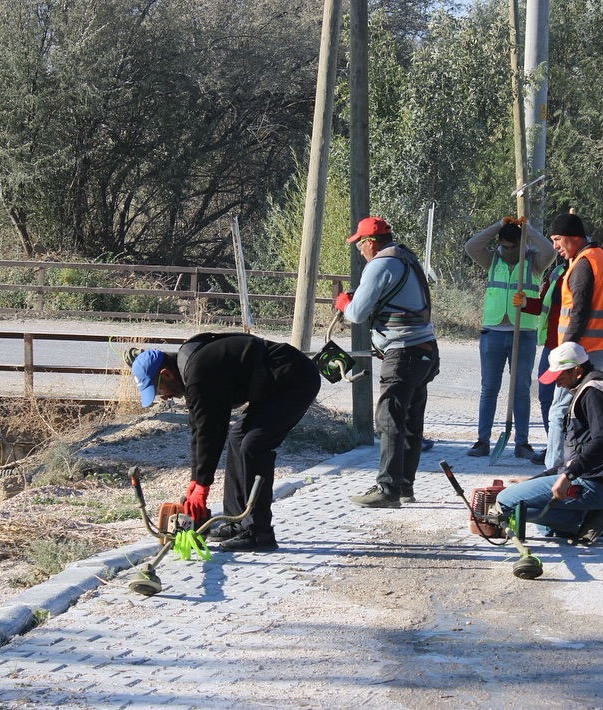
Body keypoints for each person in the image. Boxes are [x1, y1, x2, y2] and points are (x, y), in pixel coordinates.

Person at [129, 333, 321, 552]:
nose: (163, 397)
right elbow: (197, 430)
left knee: (253, 445)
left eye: (159, 390)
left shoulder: (199, 371)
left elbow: (212, 431)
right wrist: (195, 481)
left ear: (166, 374)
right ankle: (236, 522)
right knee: (237, 437)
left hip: (295, 381)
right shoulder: (189, 371)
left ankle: (259, 533)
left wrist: (203, 487)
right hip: (273, 388)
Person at [335, 216, 439, 508]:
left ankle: (387, 489)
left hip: (402, 351)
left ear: (370, 242)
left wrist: (344, 303)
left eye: (359, 244)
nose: (358, 250)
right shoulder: (406, 257)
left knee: (388, 419)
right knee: (410, 420)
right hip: (424, 350)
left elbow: (356, 314)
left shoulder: (379, 264)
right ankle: (404, 487)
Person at [496, 342, 603, 543]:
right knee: (545, 529)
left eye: (560, 376)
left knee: (506, 501)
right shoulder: (595, 385)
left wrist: (568, 476)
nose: (557, 383)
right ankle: (596, 518)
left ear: (577, 371)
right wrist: (537, 480)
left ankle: (589, 520)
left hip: (600, 484)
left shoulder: (594, 393)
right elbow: (580, 452)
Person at [464, 216, 556, 460]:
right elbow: (471, 246)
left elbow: (550, 250)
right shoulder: (492, 259)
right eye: (504, 246)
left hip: (522, 333)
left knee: (521, 390)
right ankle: (482, 441)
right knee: (489, 388)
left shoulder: (535, 262)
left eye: (513, 247)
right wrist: (497, 226)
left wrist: (529, 230)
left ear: (522, 244)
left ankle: (522, 443)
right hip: (493, 332)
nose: (507, 251)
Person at [543, 211, 603, 470]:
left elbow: (579, 310)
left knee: (560, 411)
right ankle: (586, 469)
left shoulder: (583, 264)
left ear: (574, 238)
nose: (555, 246)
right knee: (594, 413)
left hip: (581, 354)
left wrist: (566, 353)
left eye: (557, 239)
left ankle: (553, 471)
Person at [513, 232, 567, 465]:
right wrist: (526, 303)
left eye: (560, 242)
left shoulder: (585, 270)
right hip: (551, 346)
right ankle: (553, 445)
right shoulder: (557, 272)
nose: (557, 248)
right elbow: (544, 304)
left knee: (568, 404)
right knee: (546, 397)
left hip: (573, 348)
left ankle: (570, 449)